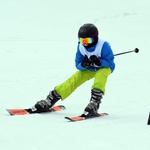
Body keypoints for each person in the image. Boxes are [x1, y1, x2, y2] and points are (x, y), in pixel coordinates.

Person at [33, 23, 115, 116]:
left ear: (95, 38)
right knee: (75, 78)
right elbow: (78, 64)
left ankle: (94, 102)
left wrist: (99, 62)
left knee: (101, 76)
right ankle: (50, 99)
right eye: (82, 40)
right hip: (90, 69)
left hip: (104, 68)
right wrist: (84, 64)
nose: (85, 43)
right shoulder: (81, 47)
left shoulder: (104, 45)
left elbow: (110, 62)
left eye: (88, 40)